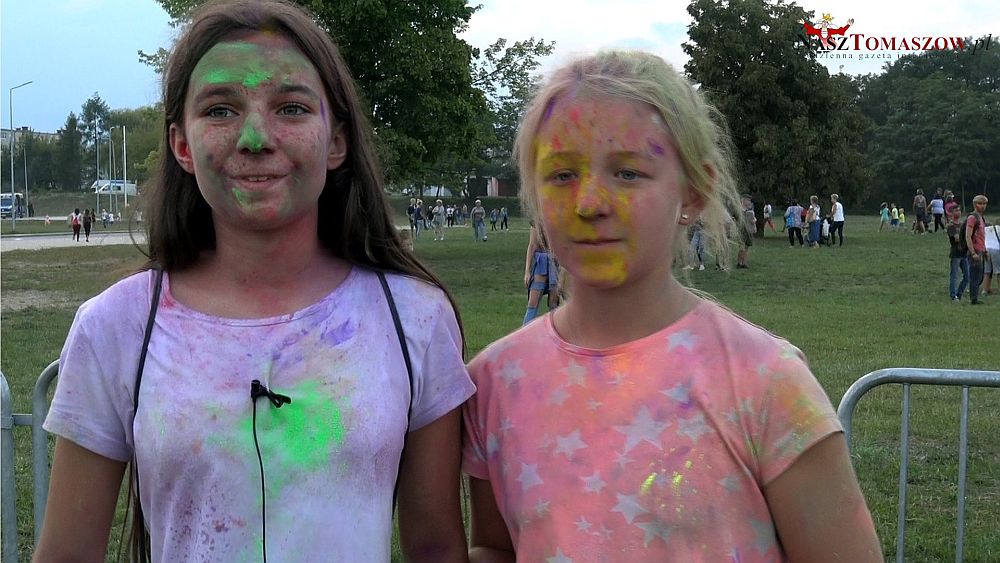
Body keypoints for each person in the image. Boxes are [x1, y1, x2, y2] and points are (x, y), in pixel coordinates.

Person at [35, 2, 474, 562]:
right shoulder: (115, 328)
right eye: (220, 110)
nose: (255, 137)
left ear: (335, 141)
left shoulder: (415, 319)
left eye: (291, 108)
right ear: (182, 145)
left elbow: (436, 547)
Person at [462, 50, 881, 562]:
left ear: (694, 193)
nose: (589, 203)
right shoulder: (495, 382)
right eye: (562, 175)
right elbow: (497, 545)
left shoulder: (765, 381)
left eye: (628, 173)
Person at [522, 221, 560, 325]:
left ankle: (552, 330)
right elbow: (532, 246)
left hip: (555, 262)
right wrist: (527, 271)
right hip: (541, 263)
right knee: (533, 302)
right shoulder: (536, 221)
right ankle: (526, 330)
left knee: (554, 302)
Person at [966, 195, 989, 305]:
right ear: (975, 204)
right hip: (975, 251)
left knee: (980, 277)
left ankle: (974, 295)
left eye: (984, 204)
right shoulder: (972, 218)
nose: (982, 206)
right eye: (980, 203)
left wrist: (985, 250)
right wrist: (973, 253)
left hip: (981, 250)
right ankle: (973, 299)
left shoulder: (981, 218)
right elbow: (968, 236)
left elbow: (981, 236)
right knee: (975, 276)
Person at [946, 202, 969, 302]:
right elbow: (957, 238)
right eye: (956, 210)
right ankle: (953, 295)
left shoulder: (963, 224)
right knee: (954, 276)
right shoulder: (951, 226)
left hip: (964, 253)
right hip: (956, 253)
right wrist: (967, 237)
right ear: (951, 213)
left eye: (959, 210)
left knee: (967, 276)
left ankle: (959, 294)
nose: (958, 212)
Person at [737, 194, 755, 268]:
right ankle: (741, 263)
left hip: (749, 230)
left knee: (746, 247)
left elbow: (752, 218)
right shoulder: (739, 209)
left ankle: (743, 262)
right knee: (742, 247)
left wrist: (754, 220)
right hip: (742, 230)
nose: (749, 202)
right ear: (743, 200)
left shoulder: (750, 210)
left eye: (750, 200)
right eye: (748, 200)